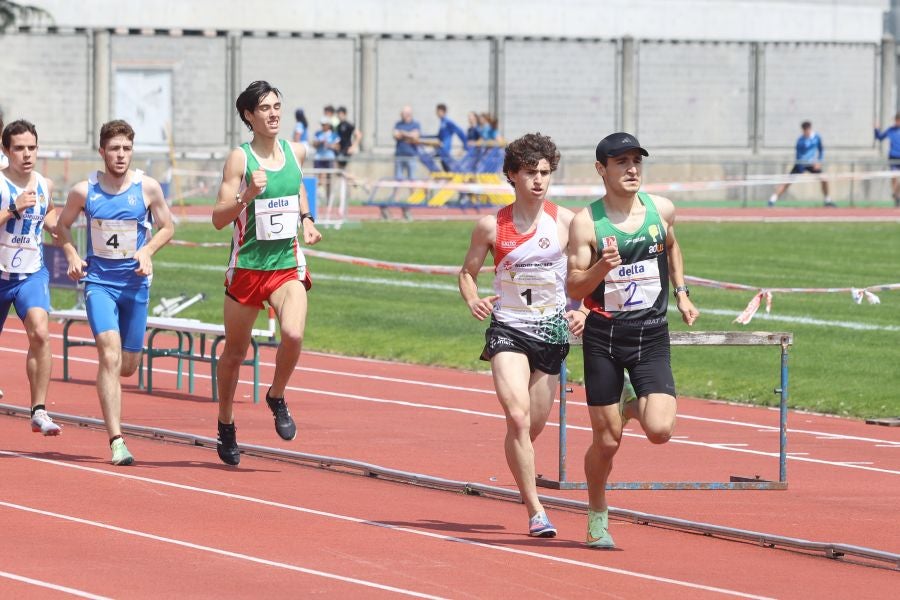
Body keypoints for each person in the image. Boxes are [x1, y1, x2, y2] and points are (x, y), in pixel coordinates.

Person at [567, 132, 699, 548]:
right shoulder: (586, 222)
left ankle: (630, 404)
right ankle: (597, 513)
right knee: (607, 442)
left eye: (636, 161)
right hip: (604, 337)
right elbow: (574, 284)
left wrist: (681, 292)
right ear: (601, 169)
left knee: (660, 429)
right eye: (620, 162)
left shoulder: (661, 210)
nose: (631, 169)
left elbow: (672, 247)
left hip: (651, 334)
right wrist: (601, 270)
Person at [459, 133, 585, 538]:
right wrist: (474, 298)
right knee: (516, 417)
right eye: (530, 172)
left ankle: (519, 462)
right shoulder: (490, 227)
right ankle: (536, 511)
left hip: (551, 333)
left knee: (529, 429)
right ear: (512, 175)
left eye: (545, 173)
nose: (539, 180)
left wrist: (581, 309)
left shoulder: (567, 222)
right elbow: (466, 272)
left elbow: (590, 276)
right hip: (508, 329)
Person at [212, 80, 322, 466]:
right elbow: (217, 219)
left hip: (286, 264)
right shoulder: (240, 160)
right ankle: (226, 421)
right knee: (235, 354)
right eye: (265, 108)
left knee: (292, 333)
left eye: (278, 106)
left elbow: (296, 189)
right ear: (249, 116)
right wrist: (246, 196)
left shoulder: (295, 151)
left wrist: (306, 218)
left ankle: (276, 394)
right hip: (247, 266)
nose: (274, 113)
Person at [57, 120, 175, 466]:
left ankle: (117, 420)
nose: (120, 155)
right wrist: (73, 255)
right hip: (100, 285)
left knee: (127, 366)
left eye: (126, 149)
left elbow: (168, 227)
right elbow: (62, 225)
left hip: (135, 285)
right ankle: (117, 441)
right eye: (114, 149)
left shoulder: (147, 188)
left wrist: (147, 251)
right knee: (108, 356)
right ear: (102, 152)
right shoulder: (84, 191)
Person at [0, 119, 60, 436]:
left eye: (32, 147)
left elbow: (51, 221)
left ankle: (39, 410)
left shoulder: (43, 184)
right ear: (6, 150)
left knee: (40, 332)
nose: (27, 154)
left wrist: (72, 248)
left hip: (30, 275)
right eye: (19, 148)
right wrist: (12, 207)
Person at [768, 121, 833, 207]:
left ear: (810, 128)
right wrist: (801, 164)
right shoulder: (800, 140)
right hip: (801, 164)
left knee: (824, 179)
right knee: (787, 181)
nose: (806, 132)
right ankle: (772, 200)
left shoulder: (817, 138)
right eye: (804, 130)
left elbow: (821, 150)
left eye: (808, 129)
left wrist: (819, 161)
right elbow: (798, 154)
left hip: (812, 165)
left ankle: (827, 200)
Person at [874, 113, 900, 207]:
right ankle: (896, 196)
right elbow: (879, 137)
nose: (898, 122)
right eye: (897, 120)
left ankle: (896, 194)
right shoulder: (891, 130)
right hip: (893, 157)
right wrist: (876, 129)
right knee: (894, 176)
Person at [432, 103, 468, 171]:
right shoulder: (442, 122)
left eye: (437, 111)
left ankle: (451, 177)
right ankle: (448, 177)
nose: (436, 113)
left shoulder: (448, 122)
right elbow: (439, 136)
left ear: (442, 112)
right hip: (442, 148)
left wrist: (465, 144)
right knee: (442, 163)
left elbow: (459, 131)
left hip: (445, 149)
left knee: (446, 165)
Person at [392, 105, 421, 188]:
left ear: (408, 114)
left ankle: (413, 200)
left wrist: (403, 133)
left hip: (411, 155)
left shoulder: (415, 124)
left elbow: (415, 136)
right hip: (399, 155)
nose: (401, 114)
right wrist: (409, 134)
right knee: (398, 179)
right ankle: (395, 199)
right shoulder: (398, 124)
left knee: (412, 179)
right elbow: (396, 135)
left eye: (403, 113)